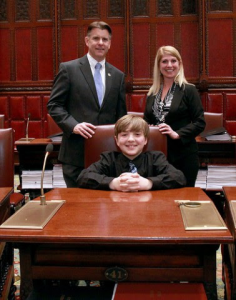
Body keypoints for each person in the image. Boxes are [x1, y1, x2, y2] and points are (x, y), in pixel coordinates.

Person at [47, 21, 127, 187]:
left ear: (110, 44)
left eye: (105, 39)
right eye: (96, 38)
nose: (100, 43)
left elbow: (121, 116)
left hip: (108, 155)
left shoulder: (118, 76)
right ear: (87, 41)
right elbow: (54, 105)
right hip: (77, 153)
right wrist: (73, 125)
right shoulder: (69, 69)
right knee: (77, 206)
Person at [143, 46, 205, 187]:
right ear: (158, 66)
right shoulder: (152, 92)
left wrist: (177, 134)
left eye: (173, 61)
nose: (169, 65)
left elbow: (200, 122)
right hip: (157, 156)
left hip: (183, 155)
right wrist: (147, 127)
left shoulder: (188, 90)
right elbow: (146, 120)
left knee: (183, 197)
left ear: (179, 64)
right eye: (164, 61)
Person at [77, 115, 186, 191]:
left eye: (137, 135)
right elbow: (83, 177)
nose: (130, 139)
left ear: (146, 140)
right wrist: (113, 183)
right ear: (117, 140)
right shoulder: (108, 159)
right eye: (124, 135)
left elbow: (179, 177)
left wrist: (149, 183)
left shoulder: (156, 158)